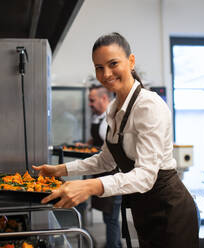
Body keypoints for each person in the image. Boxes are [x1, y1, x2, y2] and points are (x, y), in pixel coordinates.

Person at [33, 32, 199, 248]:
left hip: (169, 208)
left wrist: (91, 186)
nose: (106, 74)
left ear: (131, 61)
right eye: (99, 67)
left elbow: (146, 176)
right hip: (144, 207)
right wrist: (60, 170)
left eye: (113, 64)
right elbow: (106, 160)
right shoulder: (114, 108)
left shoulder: (148, 106)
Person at [85, 84, 122, 248]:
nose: (90, 104)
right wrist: (86, 145)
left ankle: (113, 245)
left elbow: (114, 150)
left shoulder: (113, 118)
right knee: (109, 216)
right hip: (102, 171)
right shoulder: (97, 117)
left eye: (92, 100)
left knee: (111, 217)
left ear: (104, 98)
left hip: (113, 173)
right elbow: (98, 141)